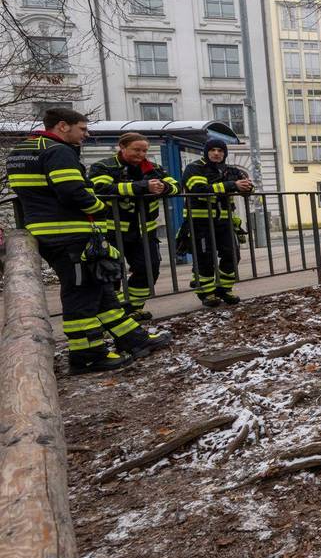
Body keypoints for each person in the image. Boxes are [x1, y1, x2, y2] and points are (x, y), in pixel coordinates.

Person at [6, 109, 172, 373]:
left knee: (100, 288)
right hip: (69, 232)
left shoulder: (21, 151)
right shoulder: (58, 151)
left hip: (49, 230)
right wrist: (99, 207)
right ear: (62, 126)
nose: (86, 134)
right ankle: (87, 354)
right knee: (81, 292)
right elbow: (73, 191)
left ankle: (133, 339)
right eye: (82, 129)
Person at [89, 133, 180, 322]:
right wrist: (141, 187)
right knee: (112, 272)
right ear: (122, 147)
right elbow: (100, 189)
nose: (141, 154)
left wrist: (162, 187)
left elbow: (177, 186)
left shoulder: (153, 168)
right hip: (112, 231)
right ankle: (113, 313)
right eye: (136, 150)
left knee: (149, 268)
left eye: (145, 150)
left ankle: (131, 308)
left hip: (145, 231)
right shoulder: (104, 166)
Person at [182, 137, 253, 307]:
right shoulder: (194, 168)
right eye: (212, 150)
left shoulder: (231, 170)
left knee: (232, 255)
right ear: (206, 152)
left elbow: (247, 189)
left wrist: (246, 187)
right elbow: (199, 190)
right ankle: (206, 293)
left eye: (220, 150)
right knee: (205, 258)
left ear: (224, 153)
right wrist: (231, 185)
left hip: (224, 221)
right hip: (200, 222)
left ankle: (224, 289)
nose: (216, 153)